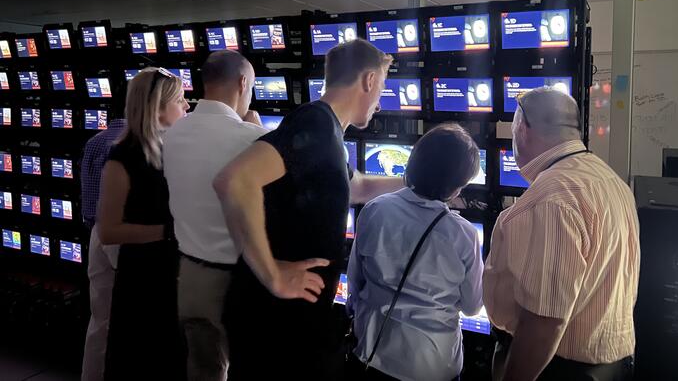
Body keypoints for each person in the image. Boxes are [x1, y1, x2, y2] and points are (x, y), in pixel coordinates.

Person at [214, 38, 405, 380]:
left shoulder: (328, 132)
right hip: (276, 324)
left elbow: (356, 186)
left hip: (288, 320)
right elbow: (234, 180)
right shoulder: (315, 125)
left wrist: (417, 182)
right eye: (383, 87)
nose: (379, 101)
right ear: (370, 80)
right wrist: (271, 273)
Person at [483, 88, 639, 381]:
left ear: (522, 128)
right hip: (611, 365)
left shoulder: (551, 198)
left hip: (555, 368)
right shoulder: (609, 180)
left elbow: (545, 321)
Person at [346, 123, 484, 381]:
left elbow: (356, 282)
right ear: (456, 188)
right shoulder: (463, 234)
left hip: (371, 355)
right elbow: (473, 306)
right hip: (433, 365)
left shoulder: (375, 210)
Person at [164, 51, 266, 381]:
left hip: (189, 276)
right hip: (235, 283)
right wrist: (260, 132)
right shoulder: (251, 138)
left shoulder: (173, 134)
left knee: (204, 370)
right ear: (243, 83)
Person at [98, 67, 189, 381]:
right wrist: (169, 232)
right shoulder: (122, 158)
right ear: (158, 108)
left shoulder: (171, 152)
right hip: (143, 279)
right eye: (180, 100)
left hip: (172, 273)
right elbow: (108, 230)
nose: (187, 106)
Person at [80, 117, 126, 381]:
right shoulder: (137, 144)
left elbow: (87, 192)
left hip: (98, 232)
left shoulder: (95, 141)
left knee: (100, 319)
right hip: (123, 233)